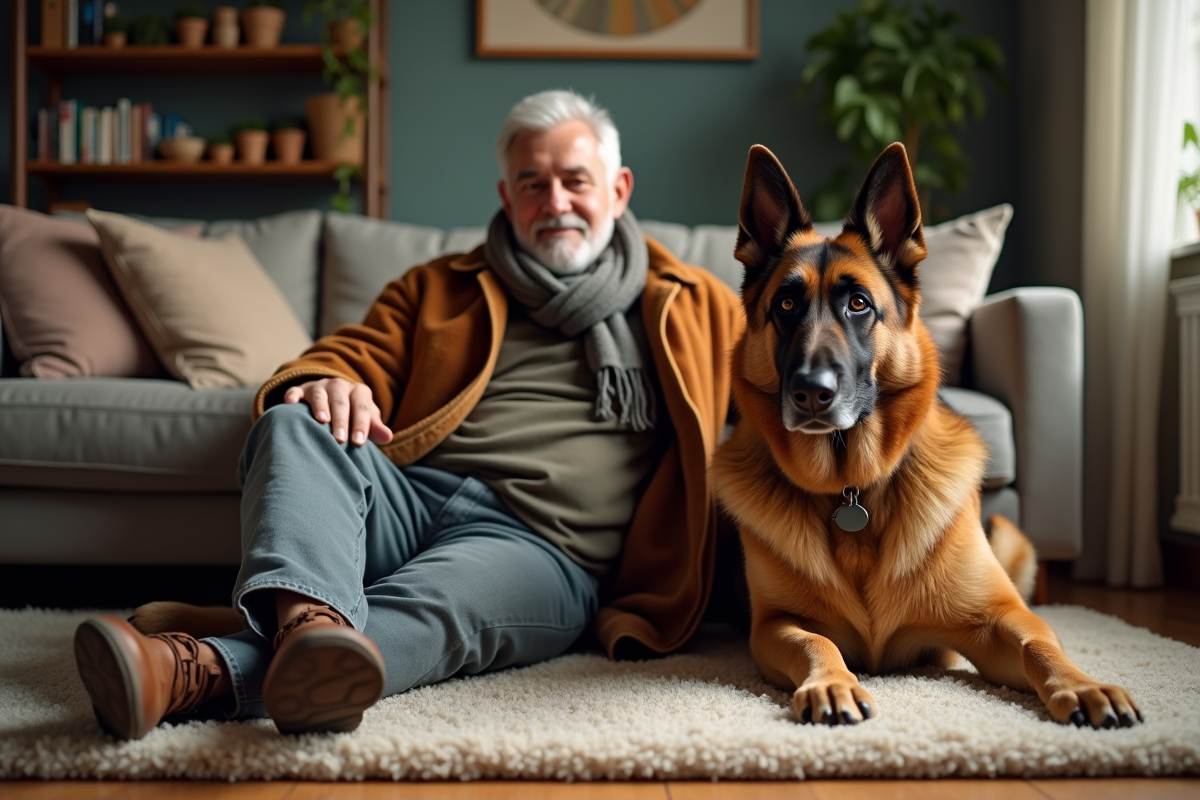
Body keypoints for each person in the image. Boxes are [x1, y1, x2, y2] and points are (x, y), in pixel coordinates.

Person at [73, 89, 743, 740]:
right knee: (295, 417)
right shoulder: (439, 285)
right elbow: (352, 354)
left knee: (438, 610)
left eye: (575, 180)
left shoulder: (695, 305)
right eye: (532, 184)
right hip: (407, 495)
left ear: (619, 189)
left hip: (539, 547)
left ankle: (183, 672)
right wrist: (334, 382)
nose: (556, 202)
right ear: (507, 198)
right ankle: (312, 625)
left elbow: (776, 399)